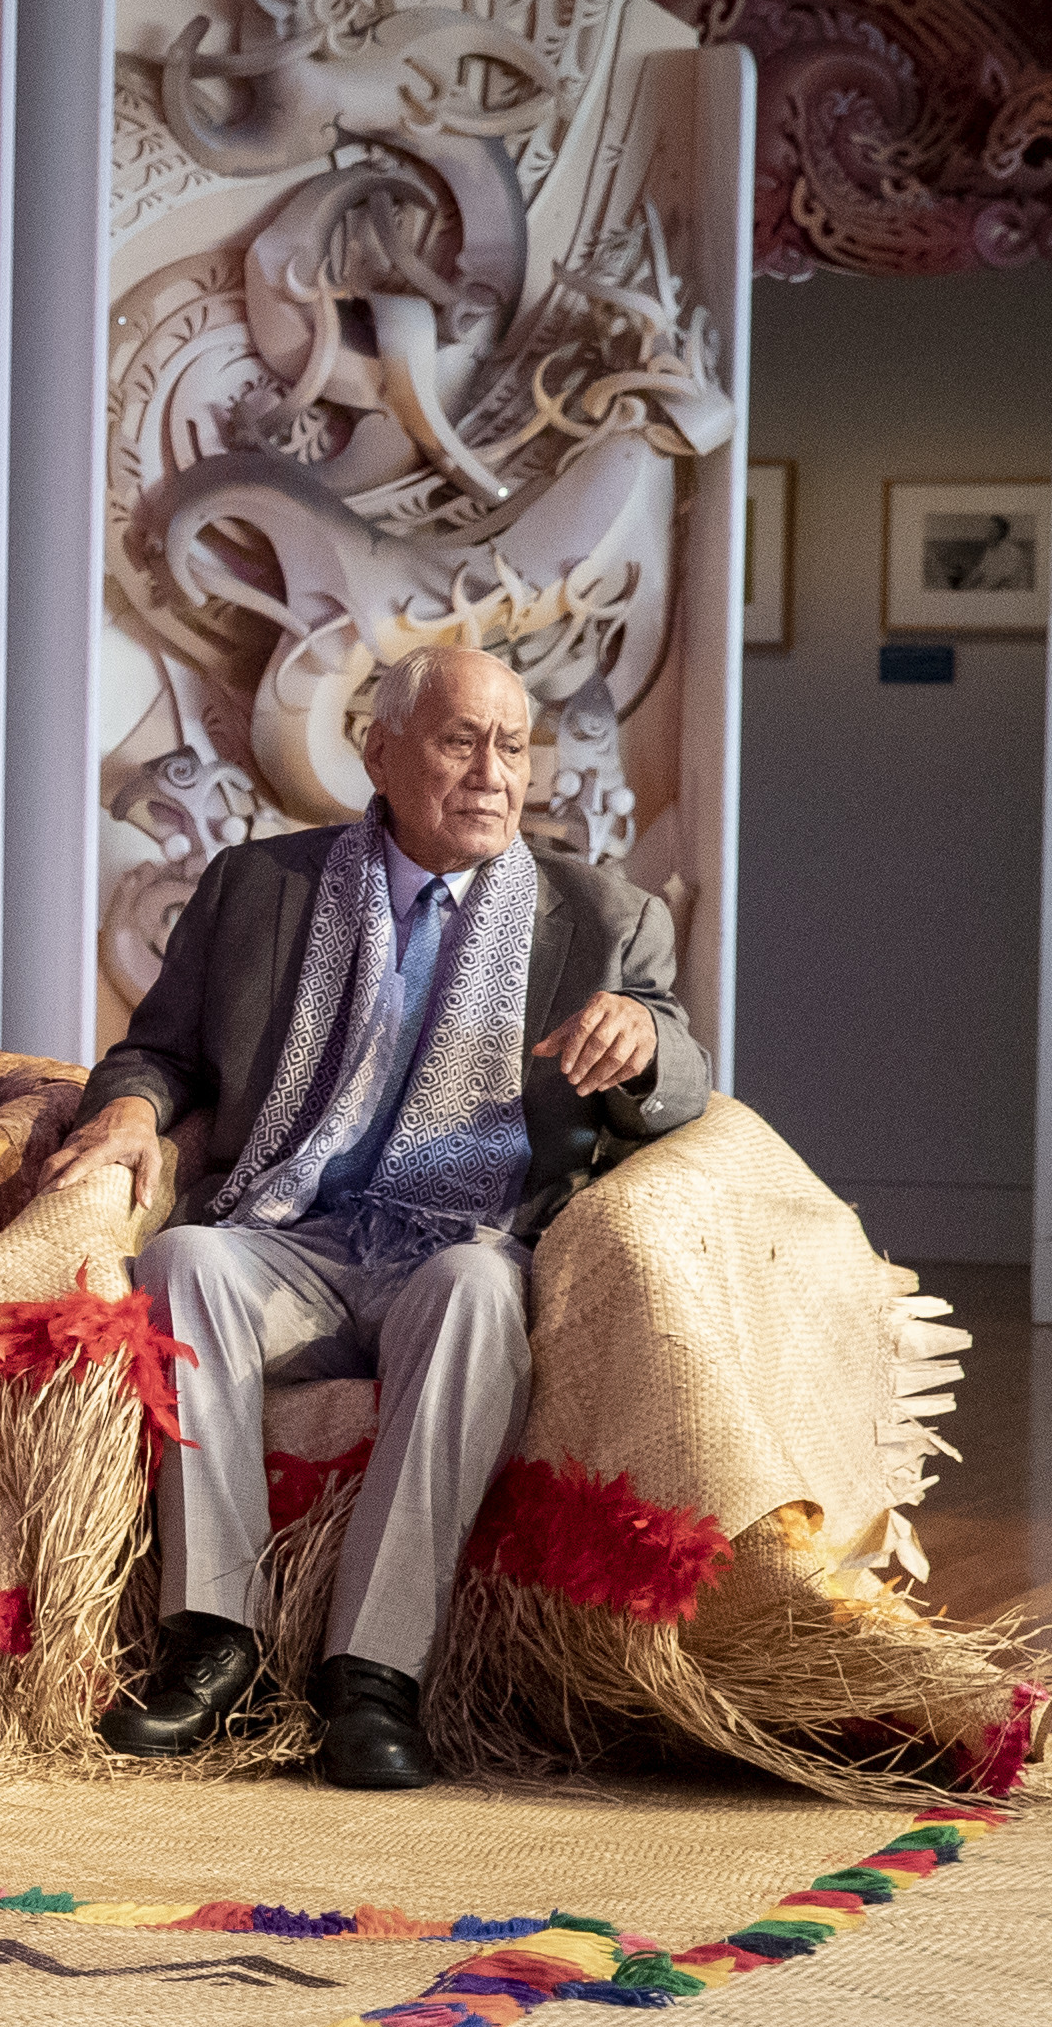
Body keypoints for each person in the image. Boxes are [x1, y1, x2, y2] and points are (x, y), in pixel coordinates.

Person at [45, 642, 708, 1790]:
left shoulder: (602, 916)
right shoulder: (259, 887)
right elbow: (155, 1050)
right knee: (182, 1257)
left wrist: (647, 1045)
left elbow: (688, 1069)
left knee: (475, 1291)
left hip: (454, 1245)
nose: (492, 773)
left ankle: (372, 1675)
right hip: (289, 1232)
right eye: (459, 742)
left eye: (511, 746)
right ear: (380, 752)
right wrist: (124, 1118)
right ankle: (211, 1642)